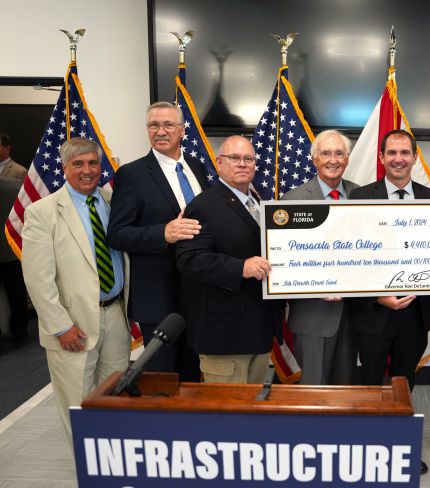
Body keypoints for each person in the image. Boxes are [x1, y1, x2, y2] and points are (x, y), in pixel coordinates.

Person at [21, 138, 130, 438]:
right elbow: (38, 279)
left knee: (115, 397)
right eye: (78, 164)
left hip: (116, 315)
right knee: (78, 404)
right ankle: (84, 463)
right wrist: (60, 326)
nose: (87, 170)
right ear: (64, 168)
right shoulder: (42, 212)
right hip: (73, 324)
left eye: (93, 163)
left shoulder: (113, 202)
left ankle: (109, 458)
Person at [349, 129, 430, 474]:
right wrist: (377, 296)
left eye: (405, 152)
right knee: (370, 382)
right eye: (392, 153)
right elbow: (349, 257)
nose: (398, 159)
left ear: (414, 157)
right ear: (381, 157)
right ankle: (370, 449)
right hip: (372, 312)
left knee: (404, 383)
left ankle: (400, 446)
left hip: (414, 313)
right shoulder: (359, 198)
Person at [107, 101, 208, 381]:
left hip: (198, 291)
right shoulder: (132, 174)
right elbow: (117, 233)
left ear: (182, 130)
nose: (160, 131)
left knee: (193, 375)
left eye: (168, 125)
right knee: (162, 380)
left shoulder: (197, 167)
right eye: (154, 125)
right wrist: (163, 233)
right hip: (158, 297)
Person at [175, 136, 282, 384]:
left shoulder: (259, 203)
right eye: (234, 158)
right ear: (219, 162)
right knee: (227, 409)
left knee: (255, 405)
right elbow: (189, 259)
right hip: (224, 335)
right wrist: (240, 267)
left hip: (258, 330)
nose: (242, 164)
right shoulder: (203, 205)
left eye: (248, 158)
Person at [281, 130, 359, 384]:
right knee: (314, 392)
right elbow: (285, 260)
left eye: (339, 153)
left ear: (347, 159)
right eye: (325, 153)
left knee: (345, 391)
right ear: (314, 159)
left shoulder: (362, 195)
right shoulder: (291, 200)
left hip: (353, 315)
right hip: (312, 316)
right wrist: (317, 284)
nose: (332, 160)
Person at [0, 176, 30, 340]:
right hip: (13, 248)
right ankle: (20, 330)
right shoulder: (16, 185)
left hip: (10, 249)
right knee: (17, 293)